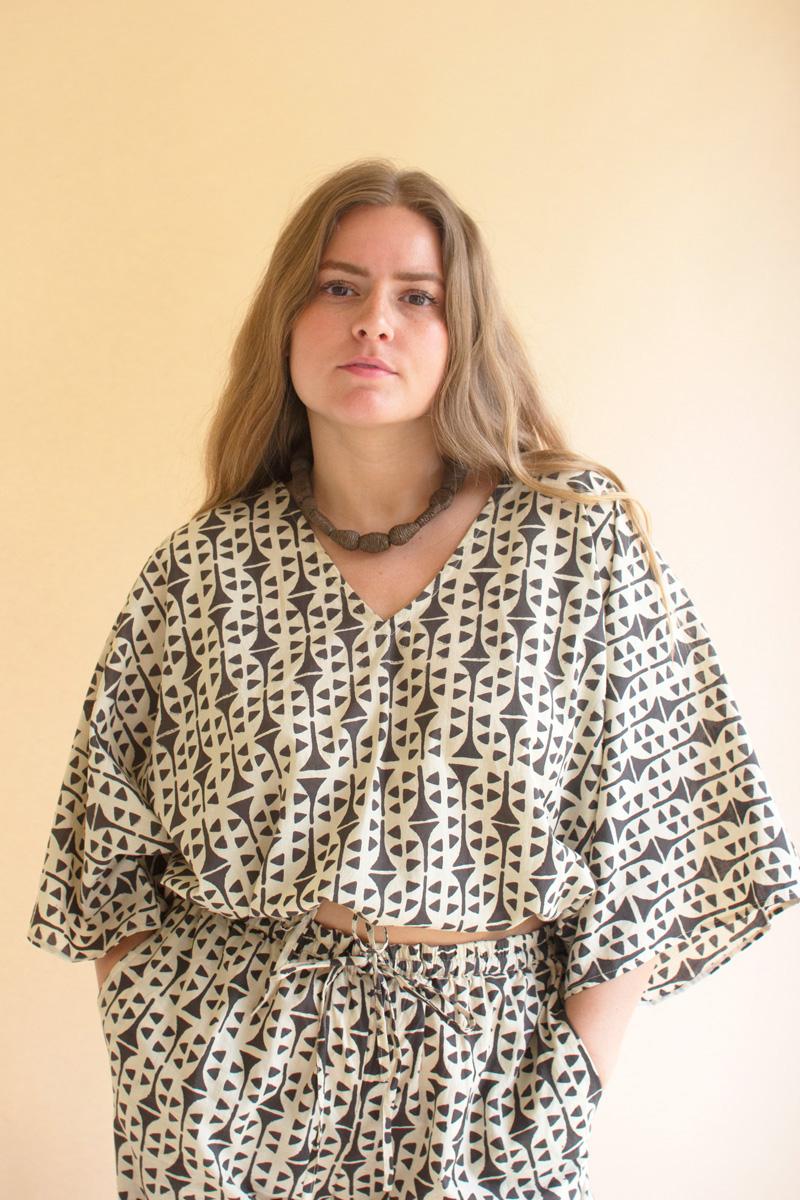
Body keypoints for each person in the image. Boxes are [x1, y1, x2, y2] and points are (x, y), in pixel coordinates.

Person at [26, 157, 800, 1200]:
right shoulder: (206, 569)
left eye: (417, 297)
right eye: (338, 286)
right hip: (227, 1082)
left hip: (490, 1079)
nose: (373, 322)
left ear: (462, 329)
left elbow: (661, 835)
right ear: (286, 319)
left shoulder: (573, 545)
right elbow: (104, 844)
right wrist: (160, 1049)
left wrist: (568, 1082)